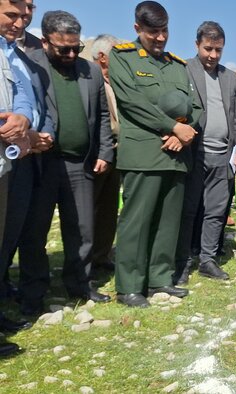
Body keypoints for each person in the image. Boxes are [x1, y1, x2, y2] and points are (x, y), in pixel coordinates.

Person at [110, 1, 201, 307]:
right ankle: (129, 286)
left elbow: (195, 106)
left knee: (168, 221)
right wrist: (172, 127)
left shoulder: (178, 65)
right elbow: (131, 101)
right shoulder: (122, 57)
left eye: (164, 31)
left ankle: (160, 279)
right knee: (136, 221)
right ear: (138, 29)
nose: (161, 38)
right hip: (143, 153)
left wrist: (184, 131)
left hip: (176, 156)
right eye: (153, 33)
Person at [20, 10, 112, 315]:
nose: (72, 54)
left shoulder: (91, 71)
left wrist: (104, 152)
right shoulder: (28, 64)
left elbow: (100, 116)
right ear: (45, 41)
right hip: (40, 164)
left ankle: (80, 284)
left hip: (79, 165)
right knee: (35, 231)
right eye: (64, 49)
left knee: (83, 229)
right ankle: (33, 292)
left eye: (76, 47)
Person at [174, 21, 236, 285]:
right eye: (208, 49)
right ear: (197, 45)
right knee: (189, 208)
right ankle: (181, 262)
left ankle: (207, 259)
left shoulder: (230, 78)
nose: (213, 55)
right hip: (194, 154)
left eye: (218, 50)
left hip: (223, 155)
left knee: (216, 210)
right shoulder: (184, 70)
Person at [0, 0, 34, 357]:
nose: (21, 20)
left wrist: (21, 120)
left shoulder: (9, 51)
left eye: (25, 13)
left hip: (5, 163)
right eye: (12, 14)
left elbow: (23, 94)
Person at [89, 33, 121, 276]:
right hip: (97, 152)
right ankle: (86, 260)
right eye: (115, 54)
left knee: (109, 207)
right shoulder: (89, 78)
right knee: (91, 207)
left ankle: (101, 255)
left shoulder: (115, 82)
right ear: (102, 57)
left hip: (118, 152)